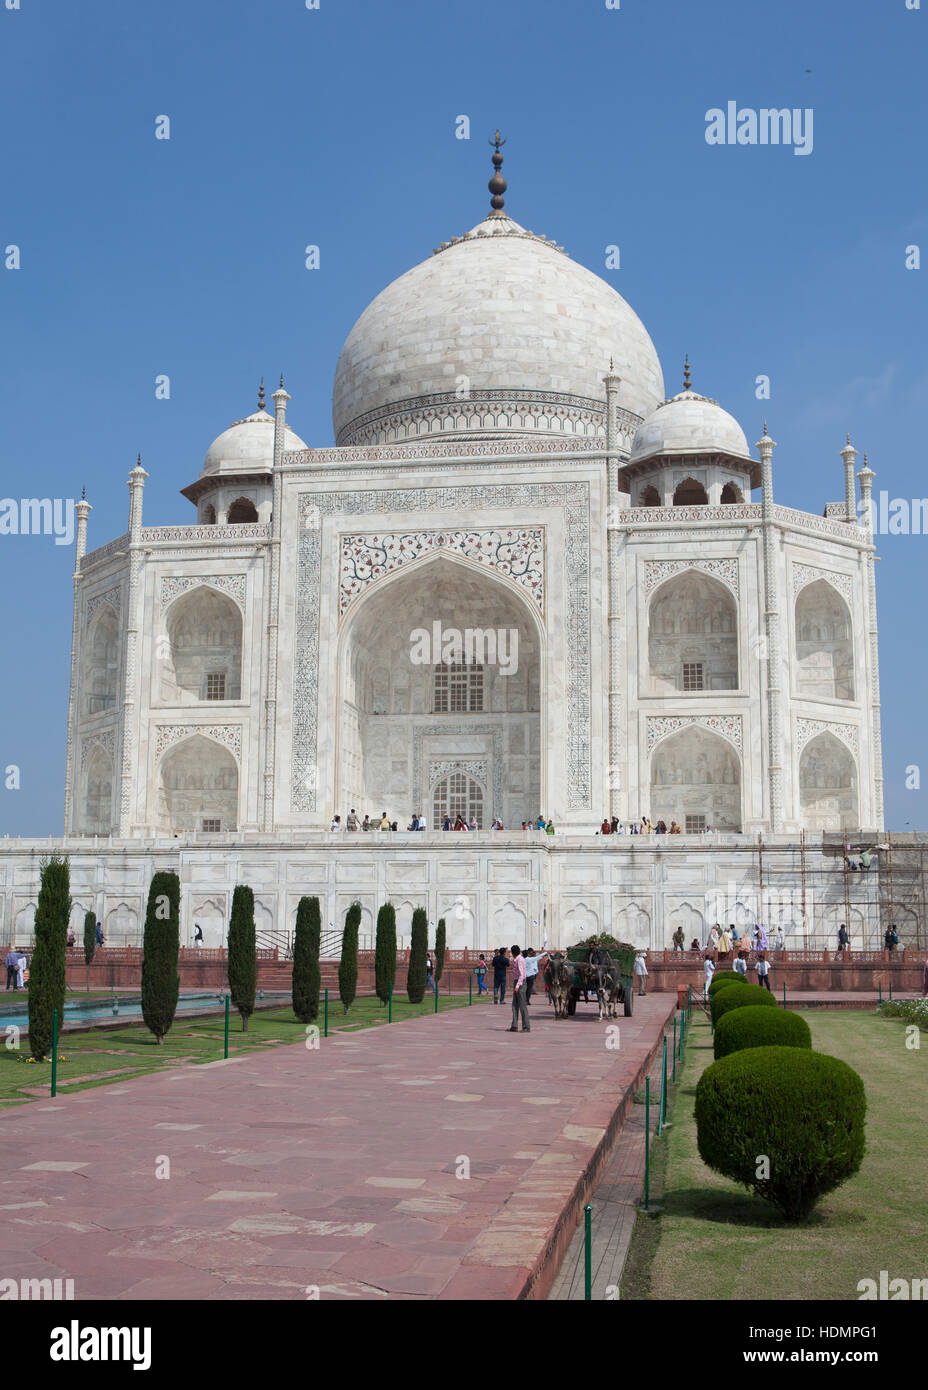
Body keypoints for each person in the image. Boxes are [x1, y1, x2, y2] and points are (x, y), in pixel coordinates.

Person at [508, 945, 530, 1033]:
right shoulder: (518, 959)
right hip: (517, 982)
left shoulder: (520, 960)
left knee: (522, 1005)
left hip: (520, 983)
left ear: (513, 953)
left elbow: (521, 975)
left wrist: (517, 986)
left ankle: (526, 1027)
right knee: (514, 1005)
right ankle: (514, 1025)